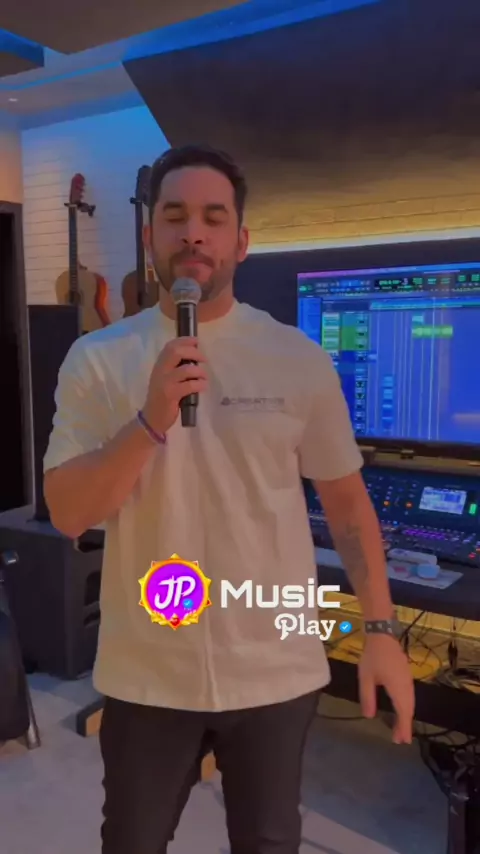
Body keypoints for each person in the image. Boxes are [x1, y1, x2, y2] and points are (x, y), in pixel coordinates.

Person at [44, 144, 414, 854]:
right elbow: (66, 513)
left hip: (276, 668)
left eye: (214, 218)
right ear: (150, 235)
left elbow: (346, 505)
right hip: (148, 671)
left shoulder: (297, 358)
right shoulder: (97, 360)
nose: (194, 234)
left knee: (269, 842)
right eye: (175, 216)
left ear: (241, 241)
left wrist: (380, 630)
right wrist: (149, 421)